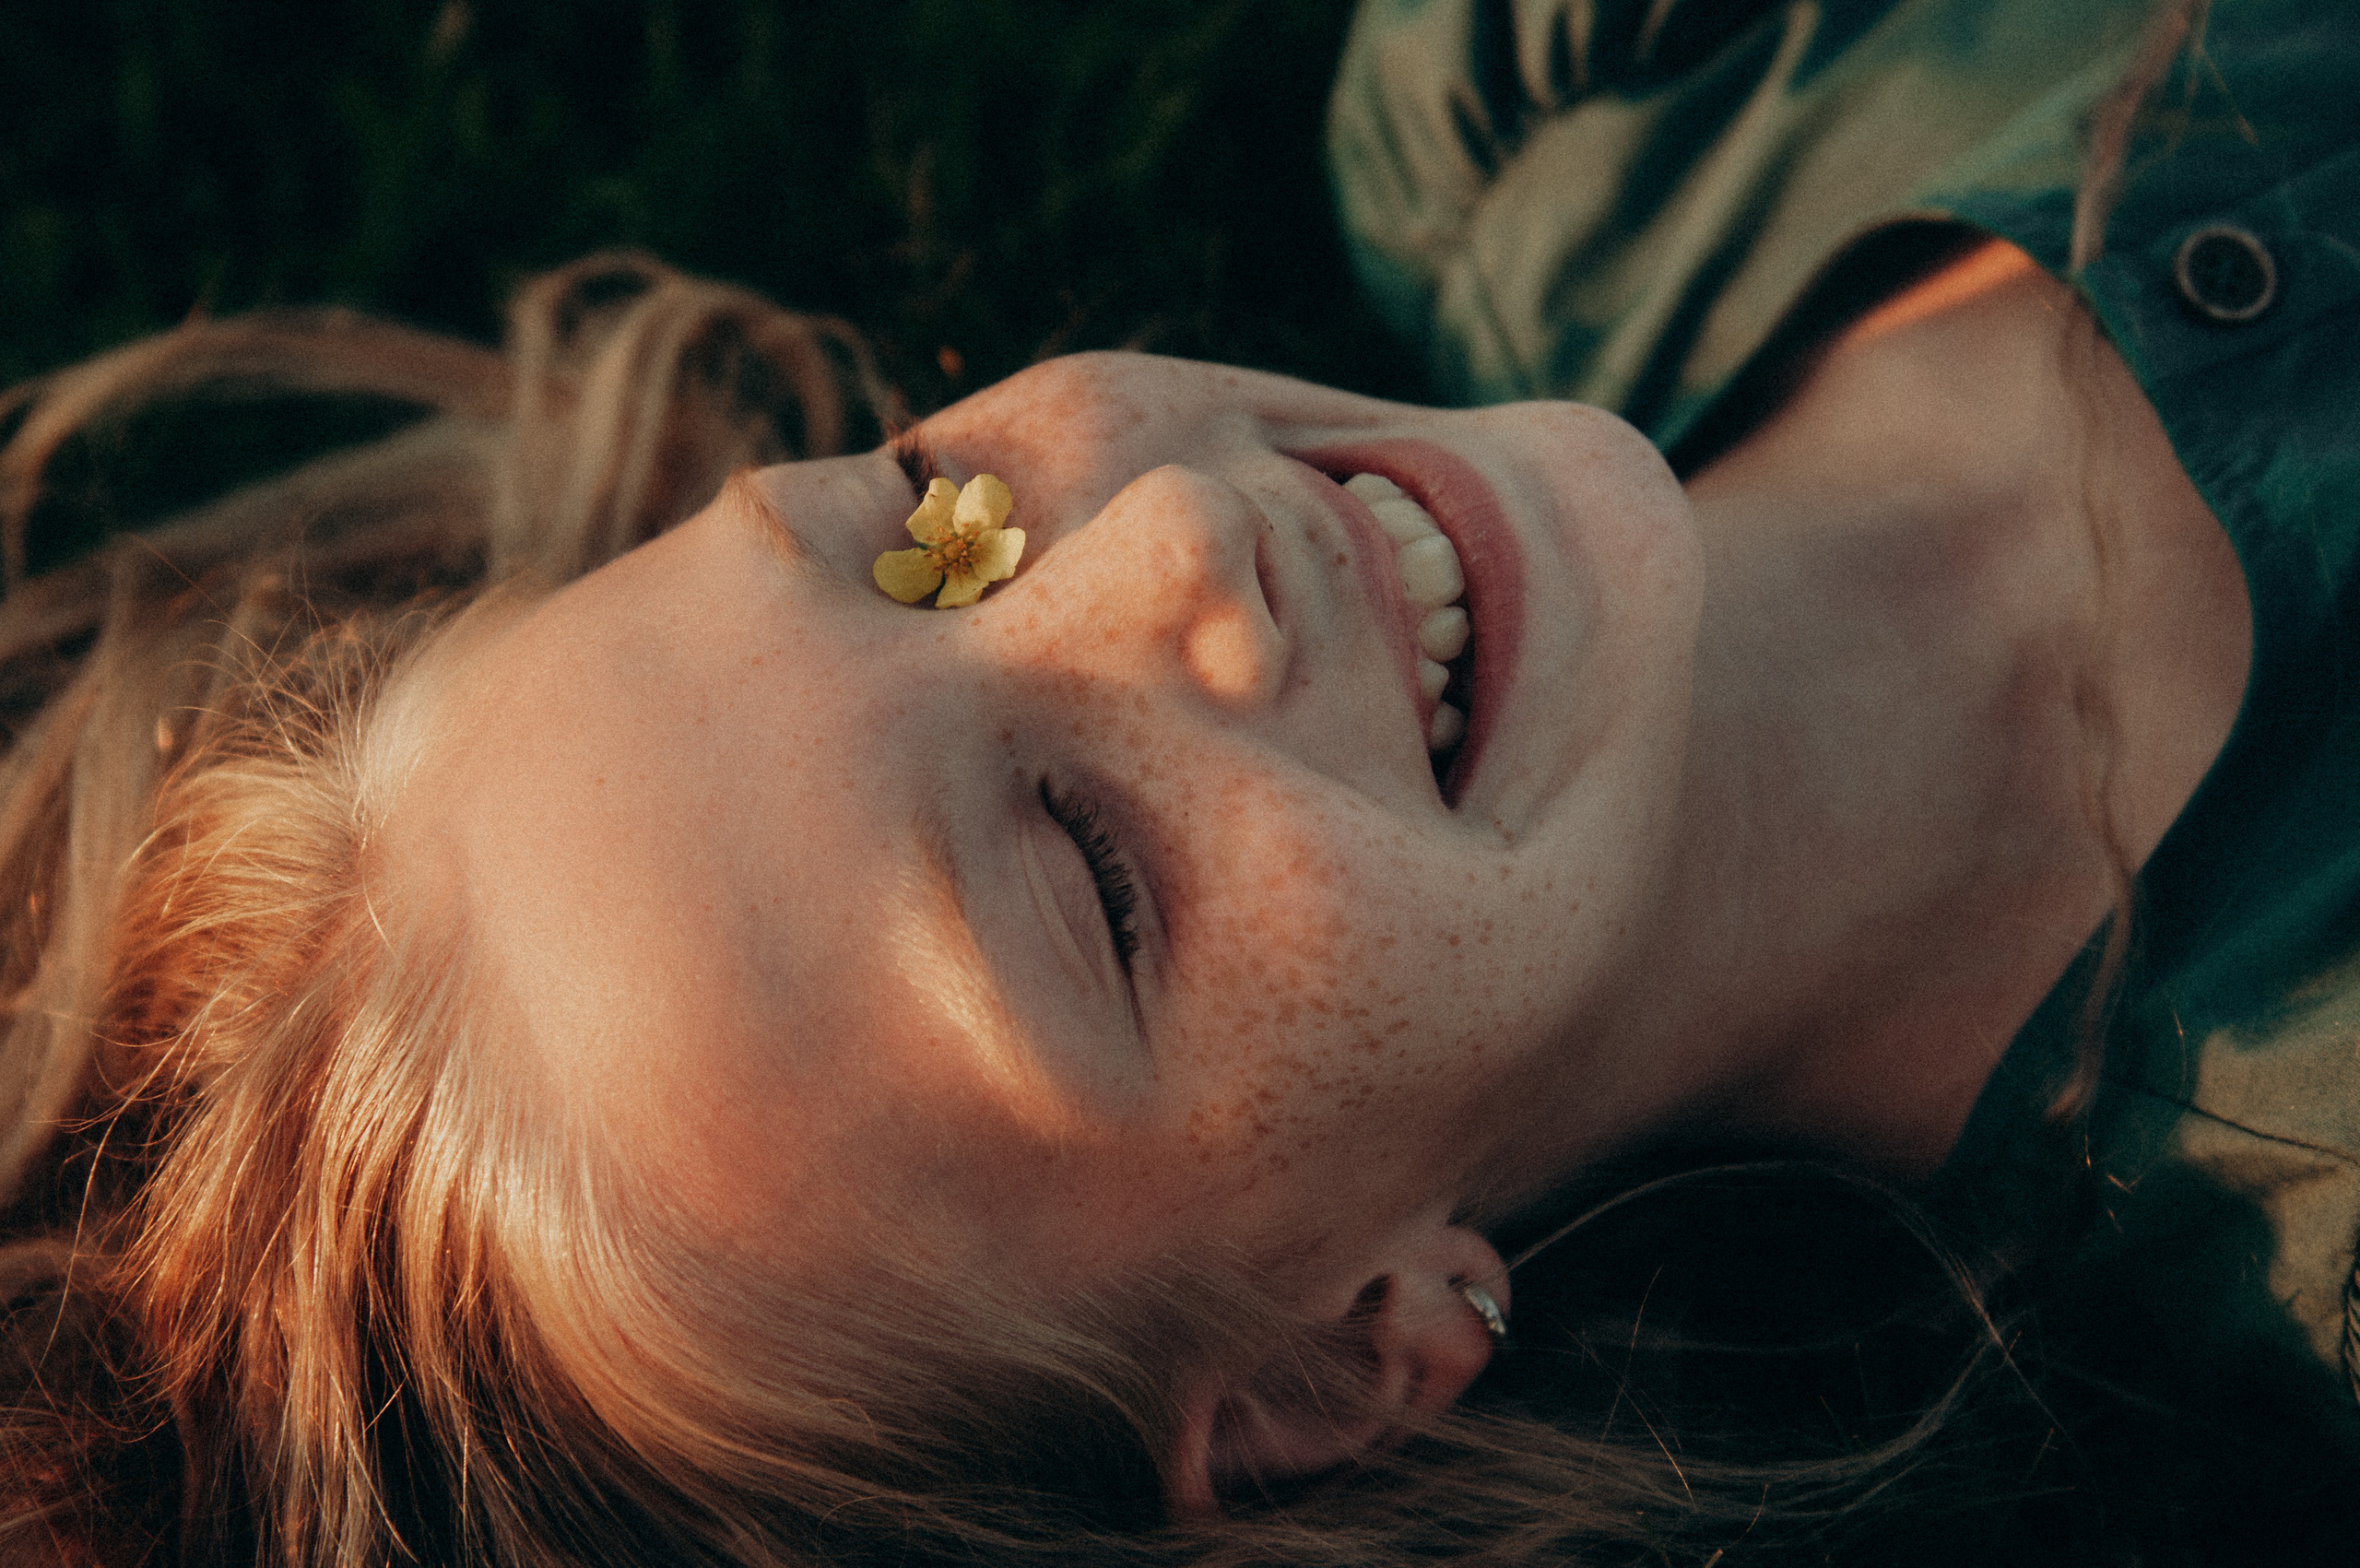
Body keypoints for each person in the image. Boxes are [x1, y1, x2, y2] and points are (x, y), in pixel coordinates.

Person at [0, 3, 2348, 1566]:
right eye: (1095, 884)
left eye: (929, 537)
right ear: (1346, 1354)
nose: (1168, 543)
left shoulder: (1555, 89)